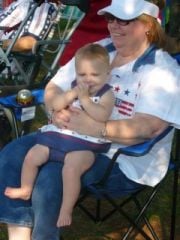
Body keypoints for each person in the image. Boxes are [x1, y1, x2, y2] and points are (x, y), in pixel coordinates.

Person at [0, 0, 180, 239]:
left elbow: (149, 128)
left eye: (123, 21)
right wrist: (56, 110)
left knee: (52, 174)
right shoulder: (99, 48)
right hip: (67, 135)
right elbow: (54, 86)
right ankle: (20, 235)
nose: (113, 26)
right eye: (110, 19)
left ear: (148, 26)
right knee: (13, 153)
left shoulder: (161, 70)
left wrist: (96, 128)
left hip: (121, 157)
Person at [4, 43, 114, 227]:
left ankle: (66, 209)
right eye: (82, 75)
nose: (87, 80)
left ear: (106, 75)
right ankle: (26, 189)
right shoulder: (73, 88)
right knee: (32, 155)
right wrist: (69, 95)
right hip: (59, 137)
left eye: (94, 75)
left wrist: (85, 99)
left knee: (70, 170)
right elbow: (56, 105)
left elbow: (102, 115)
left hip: (85, 144)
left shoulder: (106, 94)